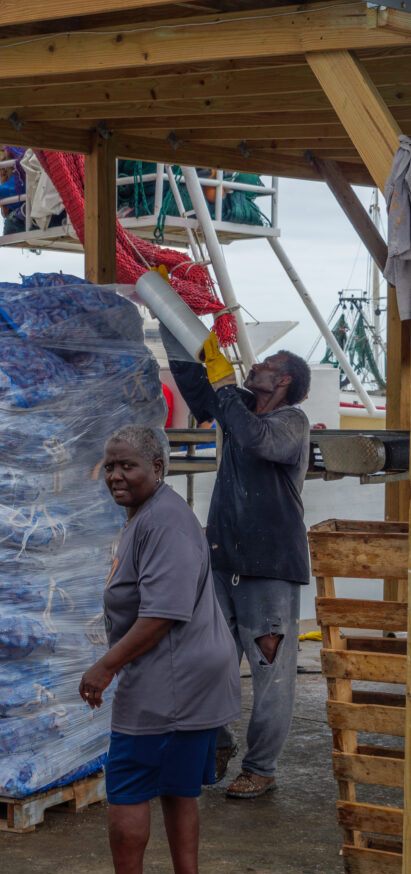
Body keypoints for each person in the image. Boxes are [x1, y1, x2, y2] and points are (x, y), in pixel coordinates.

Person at [73, 425, 241, 874]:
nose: (117, 476)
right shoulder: (150, 517)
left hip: (171, 676)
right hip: (192, 673)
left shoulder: (164, 522)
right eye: (111, 466)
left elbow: (161, 614)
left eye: (129, 466)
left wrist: (106, 666)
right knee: (178, 787)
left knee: (127, 789)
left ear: (159, 469)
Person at [162, 327, 312, 800]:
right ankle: (218, 741)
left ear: (284, 380)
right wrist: (173, 328)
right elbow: (198, 391)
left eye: (267, 363)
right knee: (206, 661)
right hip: (223, 561)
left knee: (270, 675)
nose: (256, 365)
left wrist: (226, 385)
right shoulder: (239, 409)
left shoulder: (291, 422)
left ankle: (261, 767)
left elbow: (255, 441)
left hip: (270, 569)